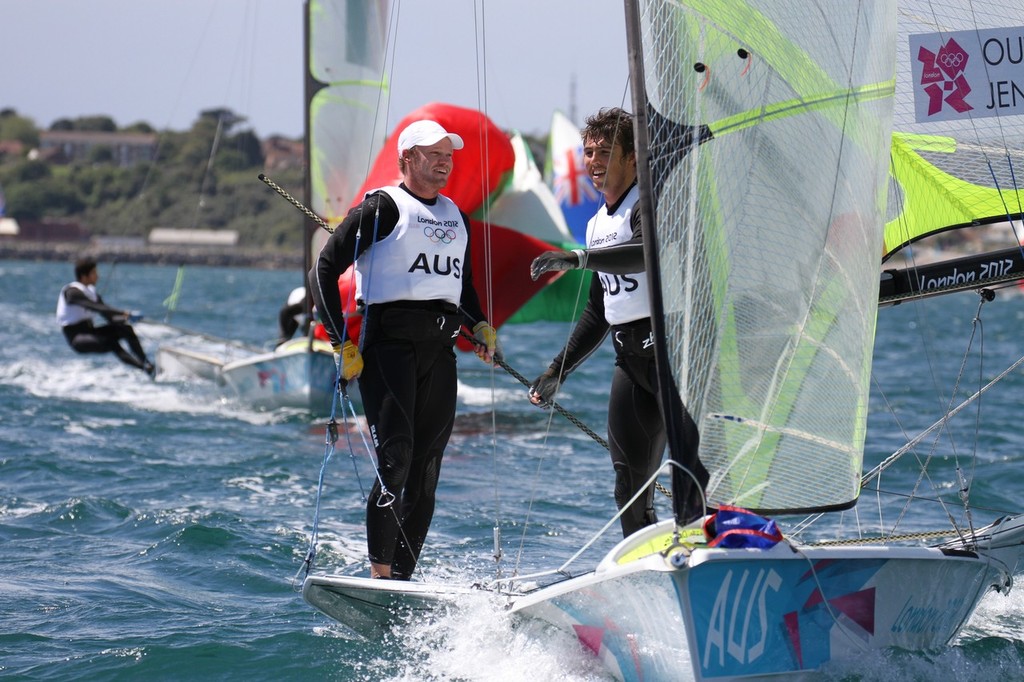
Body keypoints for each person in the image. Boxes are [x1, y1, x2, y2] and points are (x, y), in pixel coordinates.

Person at [309, 119, 499, 580]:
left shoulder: (458, 217)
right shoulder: (383, 208)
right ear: (407, 159)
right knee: (395, 463)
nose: (444, 162)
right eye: (433, 154)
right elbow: (324, 270)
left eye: (448, 155)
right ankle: (379, 576)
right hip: (389, 351)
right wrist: (341, 343)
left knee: (425, 475)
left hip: (440, 353)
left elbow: (463, 287)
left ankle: (402, 582)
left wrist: (478, 325)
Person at [527, 107, 707, 537]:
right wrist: (557, 370)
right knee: (628, 483)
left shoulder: (649, 203)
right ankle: (648, 571)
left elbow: (645, 253)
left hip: (670, 351)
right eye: (588, 152)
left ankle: (706, 553)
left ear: (632, 157)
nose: (593, 161)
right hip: (629, 359)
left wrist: (577, 259)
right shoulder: (595, 224)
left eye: (605, 151)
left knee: (688, 465)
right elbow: (599, 309)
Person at [56, 258, 155, 378]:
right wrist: (124, 313)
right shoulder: (71, 292)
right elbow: (95, 307)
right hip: (77, 338)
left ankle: (147, 363)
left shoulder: (92, 294)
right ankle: (144, 368)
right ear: (84, 276)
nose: (97, 276)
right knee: (111, 342)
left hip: (91, 331)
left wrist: (125, 319)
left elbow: (109, 316)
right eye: (94, 273)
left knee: (126, 329)